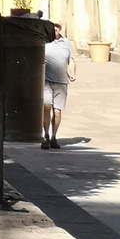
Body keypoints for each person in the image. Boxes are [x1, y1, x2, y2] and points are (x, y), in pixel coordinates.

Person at [43, 21, 76, 149]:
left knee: (57, 111)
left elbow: (71, 59)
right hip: (46, 81)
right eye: (52, 29)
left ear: (60, 29)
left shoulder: (66, 43)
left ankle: (54, 136)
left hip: (61, 82)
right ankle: (45, 135)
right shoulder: (44, 42)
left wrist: (72, 73)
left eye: (56, 29)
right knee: (46, 107)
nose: (54, 31)